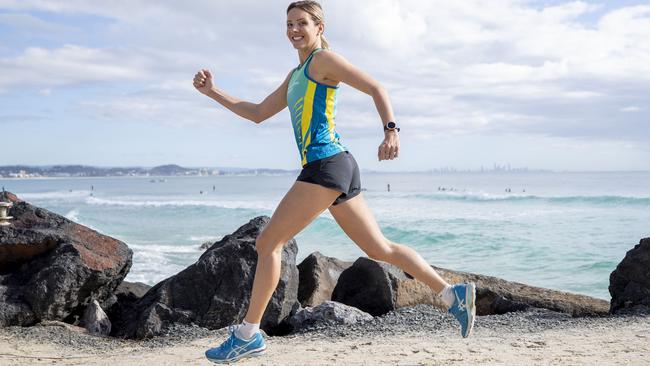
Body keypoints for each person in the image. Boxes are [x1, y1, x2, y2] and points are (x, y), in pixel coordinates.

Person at [193, 1, 476, 363]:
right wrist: (213, 93)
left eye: (302, 23)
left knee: (268, 243)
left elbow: (376, 87)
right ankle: (452, 295)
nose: (295, 29)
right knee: (380, 249)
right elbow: (259, 113)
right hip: (336, 166)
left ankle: (248, 334)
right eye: (290, 24)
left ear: (319, 27)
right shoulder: (296, 74)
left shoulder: (323, 62)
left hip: (326, 165)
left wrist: (391, 130)